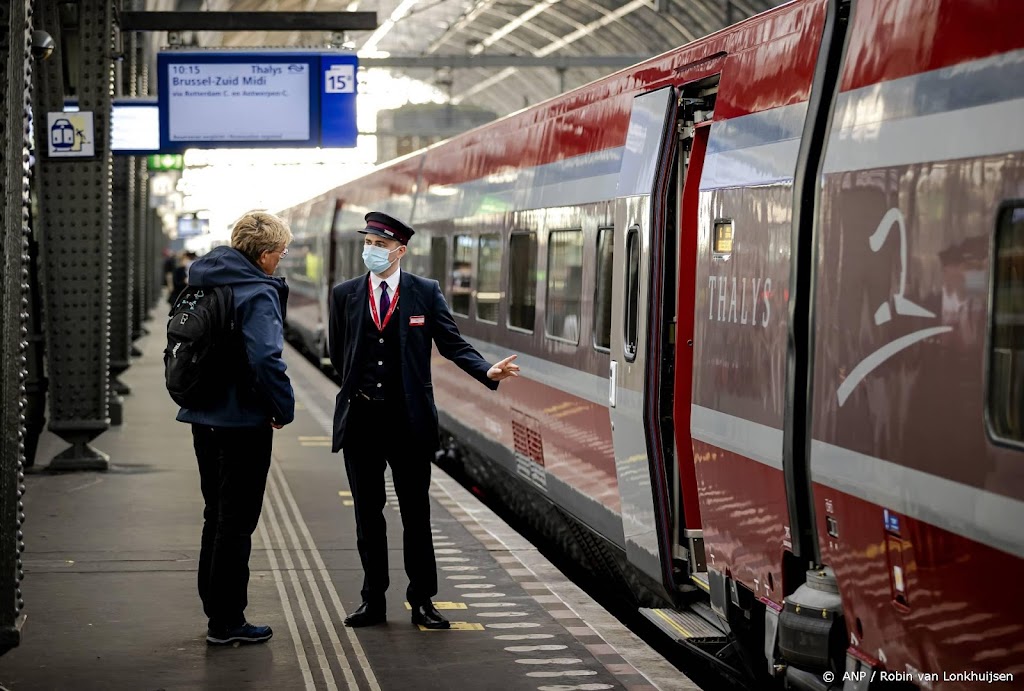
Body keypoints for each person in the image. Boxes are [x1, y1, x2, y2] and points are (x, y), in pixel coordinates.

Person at [328, 211, 520, 630]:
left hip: (408, 421)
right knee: (368, 514)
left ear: (400, 250)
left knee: (416, 514)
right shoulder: (345, 294)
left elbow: (451, 343)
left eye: (380, 245)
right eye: (369, 243)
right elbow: (337, 350)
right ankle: (372, 600)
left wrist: (486, 371)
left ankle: (422, 601)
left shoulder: (423, 292)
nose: (372, 251)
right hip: (361, 422)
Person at [176, 210, 295, 645]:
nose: (281, 260)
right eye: (281, 253)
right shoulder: (257, 292)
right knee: (236, 521)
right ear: (264, 255)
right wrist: (284, 407)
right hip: (242, 421)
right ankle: (227, 621)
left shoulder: (204, 279)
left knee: (215, 514)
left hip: (202, 416)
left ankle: (216, 609)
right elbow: (266, 358)